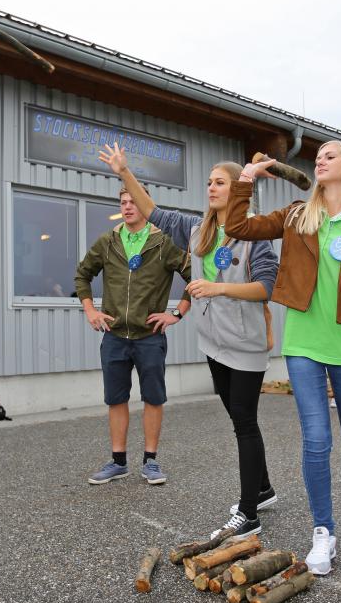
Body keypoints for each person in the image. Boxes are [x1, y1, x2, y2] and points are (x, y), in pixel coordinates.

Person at [226, 139, 341, 576]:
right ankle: (324, 531)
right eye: (317, 156)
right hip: (303, 344)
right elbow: (237, 227)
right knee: (316, 439)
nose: (320, 160)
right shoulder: (297, 216)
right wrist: (247, 178)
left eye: (330, 156)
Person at [98, 142, 280, 539]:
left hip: (245, 346)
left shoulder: (255, 234)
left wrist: (218, 288)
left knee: (245, 424)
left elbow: (267, 287)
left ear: (237, 189)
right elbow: (152, 211)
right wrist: (124, 172)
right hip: (213, 344)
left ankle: (249, 514)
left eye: (220, 182)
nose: (211, 188)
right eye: (209, 182)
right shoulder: (198, 231)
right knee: (239, 419)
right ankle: (263, 488)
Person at [73, 186, 192, 486]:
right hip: (114, 336)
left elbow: (197, 276)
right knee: (116, 399)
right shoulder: (108, 242)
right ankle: (118, 462)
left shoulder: (164, 242)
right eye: (123, 202)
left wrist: (176, 313)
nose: (127, 207)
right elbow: (82, 275)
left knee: (153, 398)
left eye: (133, 202)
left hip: (150, 336)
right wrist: (91, 311)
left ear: (146, 205)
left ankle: (151, 461)